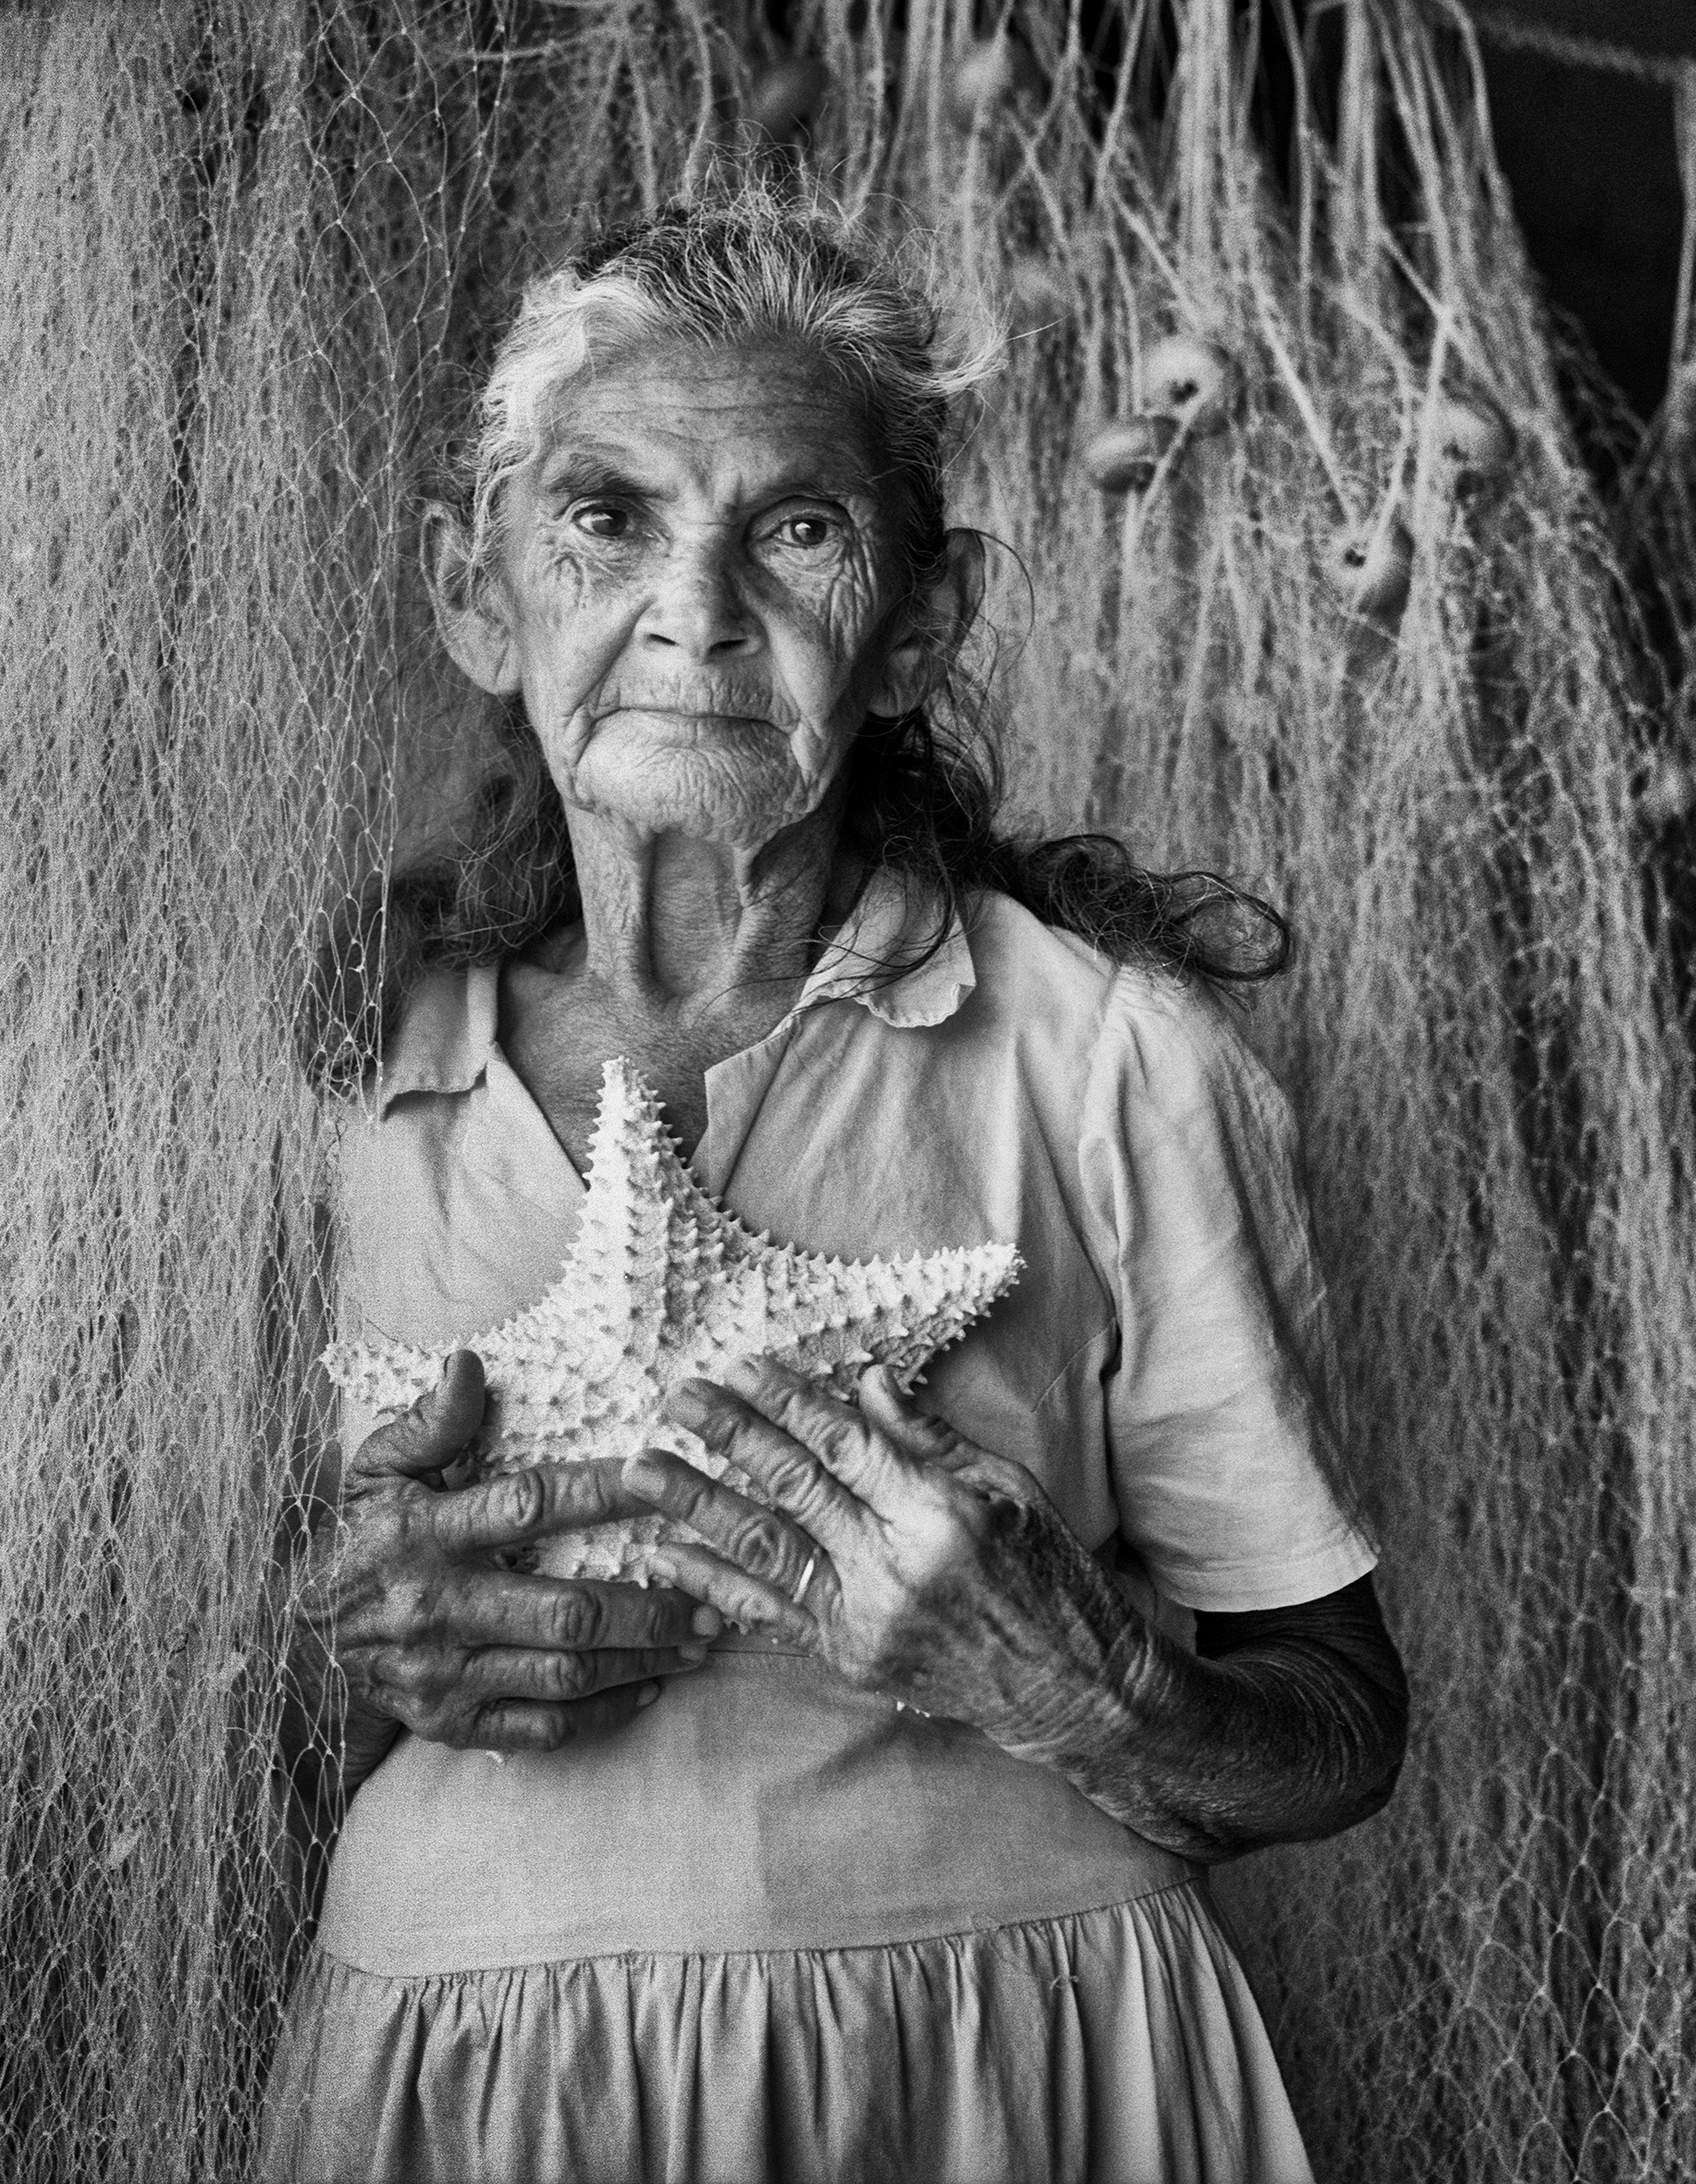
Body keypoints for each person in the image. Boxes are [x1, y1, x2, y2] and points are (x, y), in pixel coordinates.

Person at [262, 190, 1408, 2184]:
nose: (693, 607)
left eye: (793, 528)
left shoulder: (1110, 1058)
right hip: (467, 2082)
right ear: (474, 592)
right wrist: (332, 1639)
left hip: (1006, 2067)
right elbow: (153, 1728)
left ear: (917, 626)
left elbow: (1335, 1716)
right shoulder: (329, 1075)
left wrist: (1090, 1683)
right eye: (604, 515)